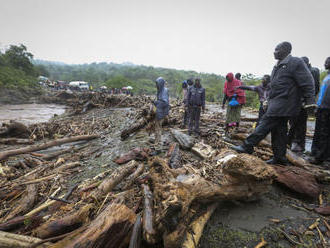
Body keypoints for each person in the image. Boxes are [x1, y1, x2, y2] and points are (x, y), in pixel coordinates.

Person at [232, 41, 315, 165]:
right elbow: (274, 87)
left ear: (286, 50)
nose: (274, 52)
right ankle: (280, 157)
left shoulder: (295, 62)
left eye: (277, 49)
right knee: (279, 130)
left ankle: (247, 146)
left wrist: (310, 101)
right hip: (276, 102)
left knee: (265, 123)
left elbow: (308, 82)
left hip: (286, 103)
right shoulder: (277, 67)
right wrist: (267, 100)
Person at [288, 56, 320, 152]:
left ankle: (299, 144)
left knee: (300, 123)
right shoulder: (300, 71)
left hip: (303, 102)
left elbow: (314, 87)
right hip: (295, 101)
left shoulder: (313, 71)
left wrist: (307, 100)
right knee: (293, 122)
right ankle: (291, 141)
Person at [310, 57, 330, 164]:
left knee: (324, 133)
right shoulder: (327, 76)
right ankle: (317, 153)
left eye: (327, 62)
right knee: (319, 132)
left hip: (327, 109)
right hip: (321, 107)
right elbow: (322, 94)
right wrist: (317, 105)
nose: (325, 63)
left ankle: (321, 157)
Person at [154, 77, 170, 146]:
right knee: (158, 129)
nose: (156, 86)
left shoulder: (164, 92)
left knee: (158, 129)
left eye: (157, 84)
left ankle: (158, 146)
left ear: (160, 84)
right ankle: (158, 143)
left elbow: (164, 103)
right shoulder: (161, 91)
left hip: (160, 114)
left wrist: (156, 103)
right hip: (159, 113)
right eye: (156, 84)